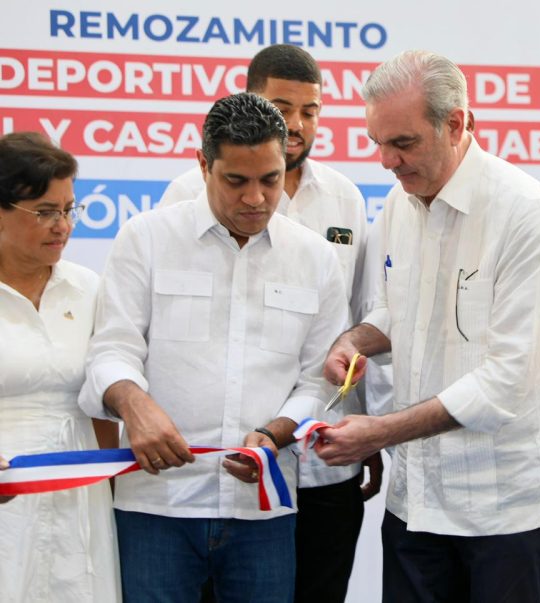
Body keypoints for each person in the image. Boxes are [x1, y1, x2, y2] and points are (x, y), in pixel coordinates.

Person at [315, 50, 540, 602]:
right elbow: (398, 313)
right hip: (415, 499)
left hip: (501, 503)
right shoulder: (398, 203)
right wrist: (355, 340)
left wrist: (381, 432)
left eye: (403, 143)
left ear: (455, 124)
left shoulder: (522, 210)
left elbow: (508, 379)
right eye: (377, 142)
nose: (387, 160)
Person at [78, 93, 349, 602]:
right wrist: (134, 406)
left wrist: (276, 433)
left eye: (270, 179)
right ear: (203, 165)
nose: (255, 198)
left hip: (263, 507)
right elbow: (111, 350)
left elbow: (319, 381)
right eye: (236, 180)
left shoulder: (315, 258)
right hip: (157, 505)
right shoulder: (146, 239)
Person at [161, 45, 376, 602]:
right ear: (252, 101)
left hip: (325, 455)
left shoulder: (346, 198)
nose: (297, 123)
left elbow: (359, 320)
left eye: (311, 110)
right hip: (233, 463)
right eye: (283, 107)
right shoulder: (187, 194)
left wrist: (372, 427)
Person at [0, 132, 121, 601]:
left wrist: (109, 479)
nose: (63, 226)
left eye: (70, 210)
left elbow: (101, 402)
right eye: (46, 212)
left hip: (79, 493)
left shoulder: (88, 288)